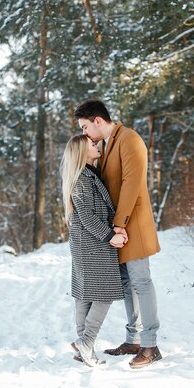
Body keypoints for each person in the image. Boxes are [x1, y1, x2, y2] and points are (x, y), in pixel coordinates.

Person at [74, 100, 162, 369]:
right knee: (126, 285)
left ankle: (150, 346)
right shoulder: (107, 144)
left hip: (131, 224)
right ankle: (133, 339)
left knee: (141, 282)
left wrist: (120, 223)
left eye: (85, 127)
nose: (86, 133)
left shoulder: (129, 139)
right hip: (117, 228)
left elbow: (132, 183)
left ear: (98, 120)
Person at [60, 134, 127, 367]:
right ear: (81, 152)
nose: (96, 145)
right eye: (91, 144)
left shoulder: (89, 174)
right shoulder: (81, 179)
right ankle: (86, 343)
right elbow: (87, 217)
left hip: (88, 242)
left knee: (86, 294)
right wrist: (111, 236)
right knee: (104, 293)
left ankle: (82, 347)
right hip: (91, 242)